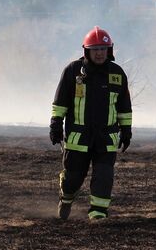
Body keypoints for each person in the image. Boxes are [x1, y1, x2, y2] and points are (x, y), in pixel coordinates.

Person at [50, 26, 132, 220]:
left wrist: (126, 130)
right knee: (73, 178)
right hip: (78, 138)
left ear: (109, 50)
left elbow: (124, 107)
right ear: (87, 50)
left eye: (103, 49)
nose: (99, 53)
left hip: (106, 138)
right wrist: (55, 125)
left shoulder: (117, 74)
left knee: (104, 176)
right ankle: (67, 198)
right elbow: (60, 103)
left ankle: (98, 213)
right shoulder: (72, 71)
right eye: (95, 49)